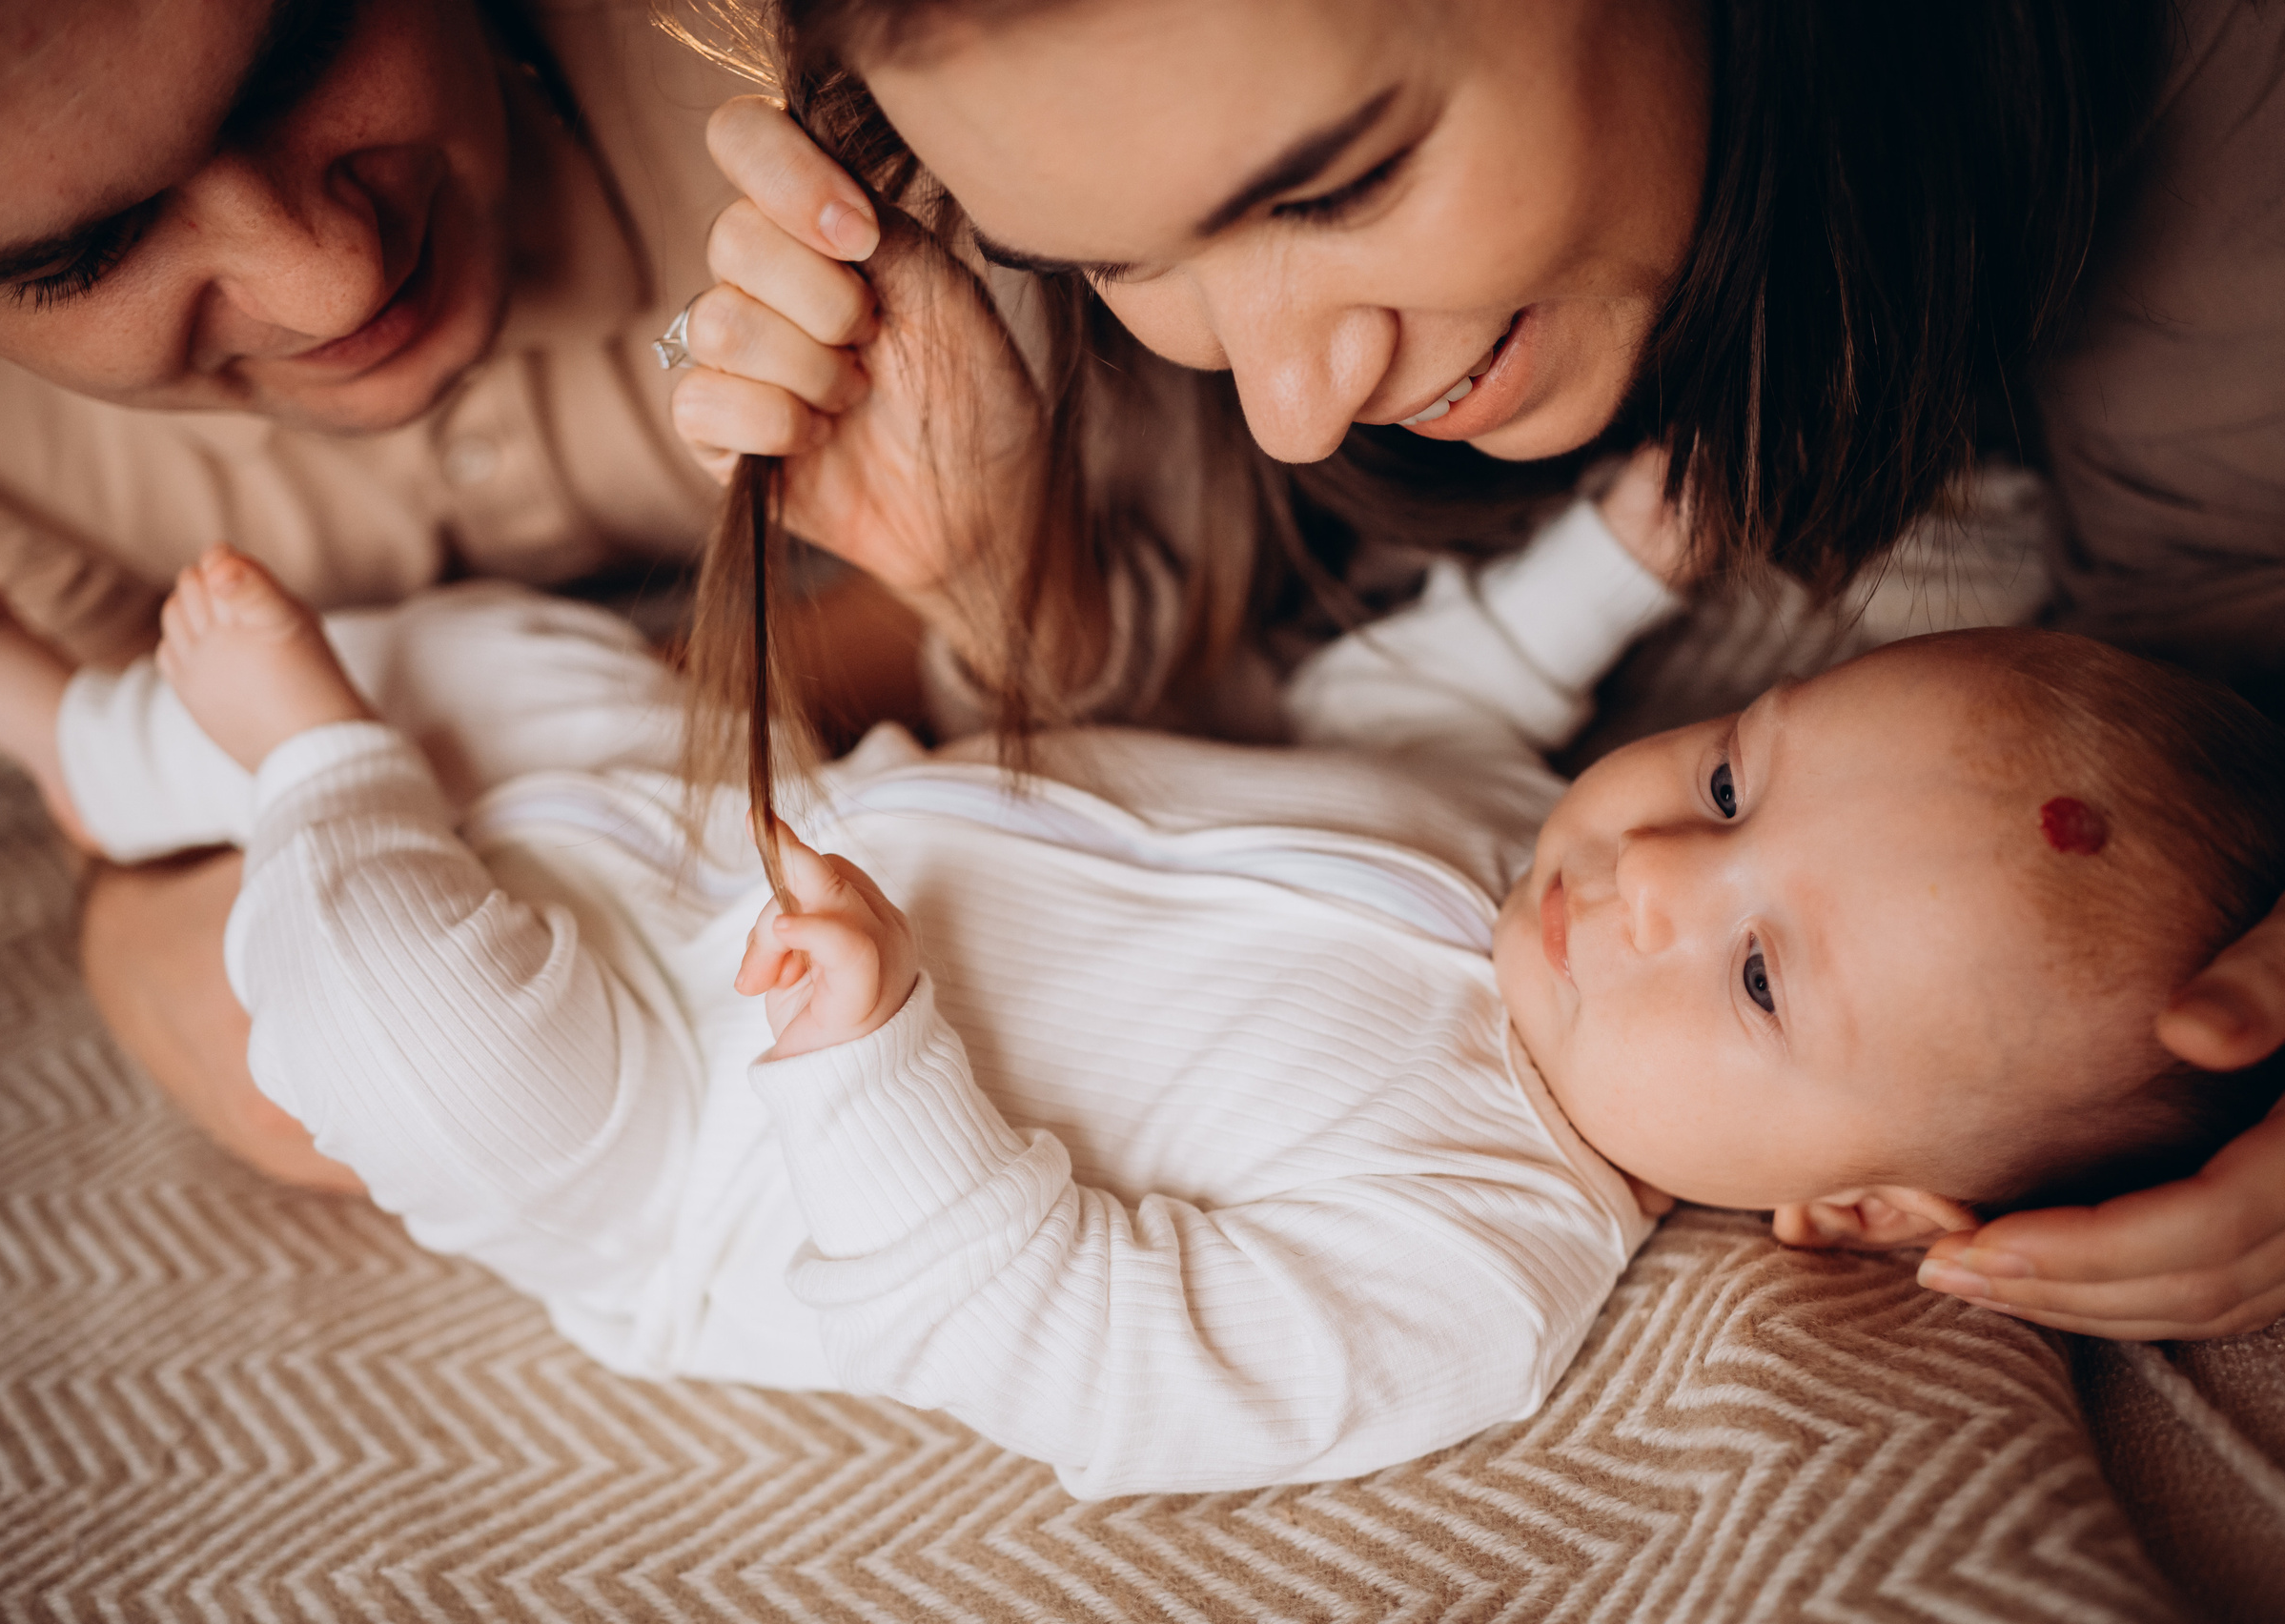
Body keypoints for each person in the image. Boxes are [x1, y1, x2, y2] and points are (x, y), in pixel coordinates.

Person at [0, 506, 2285, 1497]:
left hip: (689, 1131)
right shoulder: (1512, 855)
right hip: (739, 808)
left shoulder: (1471, 1259)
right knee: (515, 662)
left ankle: (298, 768)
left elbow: (1092, 1360)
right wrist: (1591, 573)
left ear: (1852, 1210)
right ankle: (103, 746)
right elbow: (1398, 714)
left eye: (1756, 972)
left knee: (418, 1039)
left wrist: (877, 1061)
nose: (1647, 872)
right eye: (1731, 773)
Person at [665, 0, 2285, 1338]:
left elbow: (2200, 661)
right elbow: (1237, 739)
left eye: (1338, 185)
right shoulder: (980, 179)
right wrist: (994, 583)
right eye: (1115, 263)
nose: (1290, 405)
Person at [0, 0, 918, 1188]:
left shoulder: (821, 58)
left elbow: (1085, 577)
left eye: (302, 56)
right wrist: (133, 928)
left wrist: (503, 734)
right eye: (84, 256)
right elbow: (132, 761)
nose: (332, 282)